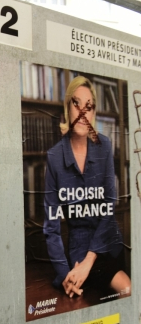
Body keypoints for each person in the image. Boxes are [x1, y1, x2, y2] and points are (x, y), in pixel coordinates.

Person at [43, 75, 130, 299]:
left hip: (108, 242)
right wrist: (65, 276)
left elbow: (108, 207)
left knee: (128, 290)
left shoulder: (104, 146)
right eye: (76, 103)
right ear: (67, 109)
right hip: (79, 249)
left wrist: (90, 261)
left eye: (89, 107)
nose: (83, 112)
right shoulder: (54, 157)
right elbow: (51, 227)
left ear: (94, 114)